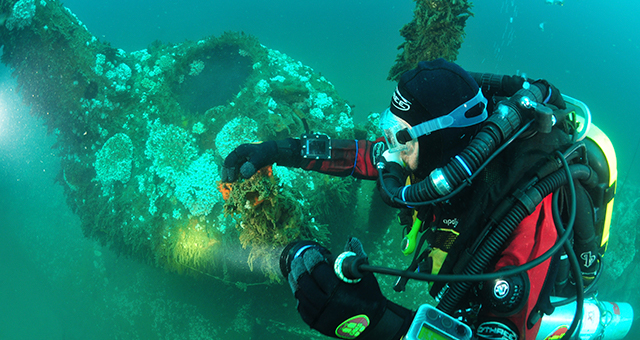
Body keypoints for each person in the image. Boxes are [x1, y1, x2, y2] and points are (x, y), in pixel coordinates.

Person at [221, 59, 614, 340]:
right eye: (388, 129)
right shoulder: (428, 159)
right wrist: (278, 150)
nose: (389, 150)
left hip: (522, 304)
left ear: (441, 141)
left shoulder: (524, 212)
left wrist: (374, 323)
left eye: (401, 136)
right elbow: (364, 156)